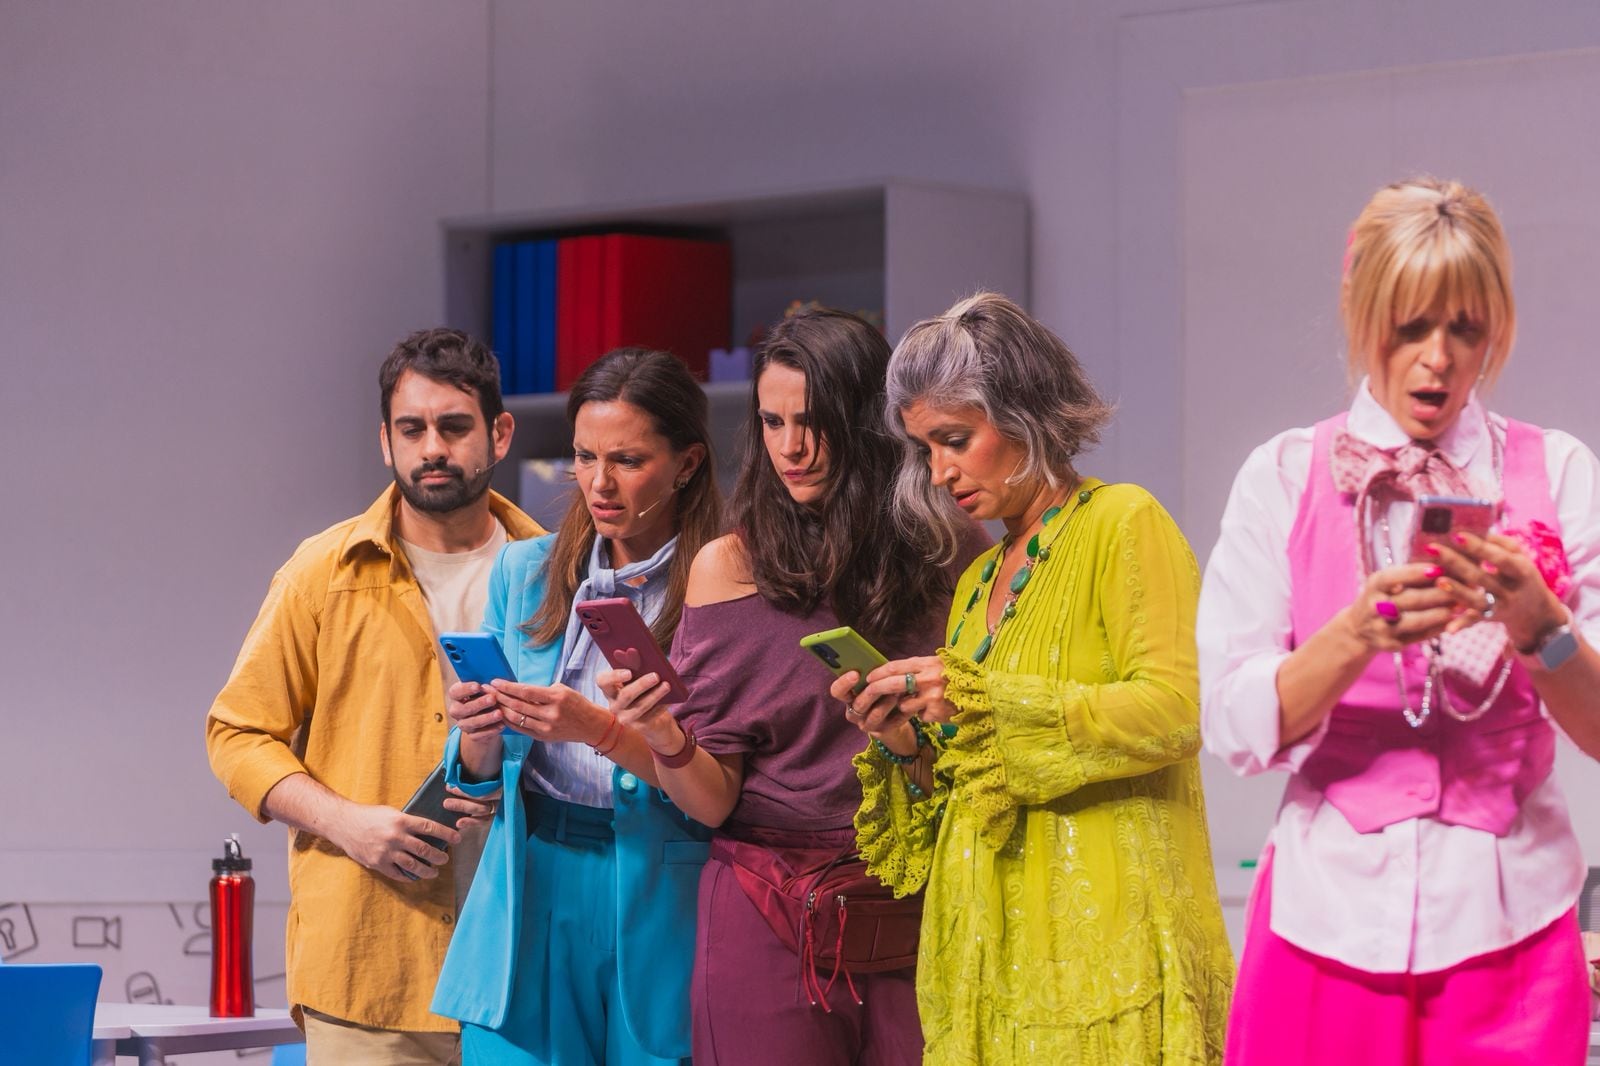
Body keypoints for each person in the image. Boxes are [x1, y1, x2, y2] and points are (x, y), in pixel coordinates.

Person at [1199, 177, 1600, 1065]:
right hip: (1321, 926)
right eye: (1410, 326)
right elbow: (1230, 724)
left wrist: (1542, 628)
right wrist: (1357, 634)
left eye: (1464, 329)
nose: (1438, 359)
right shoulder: (1282, 476)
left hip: (1512, 932)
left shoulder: (1562, 473)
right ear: (1360, 312)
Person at [843, 291, 1235, 1064]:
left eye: (955, 438)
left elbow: (1181, 708)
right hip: (985, 963)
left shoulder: (1124, 522)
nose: (941, 470)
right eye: (926, 448)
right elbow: (975, 783)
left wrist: (988, 701)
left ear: (1024, 414)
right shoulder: (975, 581)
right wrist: (909, 746)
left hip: (1106, 957)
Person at [604, 308, 979, 1065]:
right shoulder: (728, 568)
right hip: (766, 910)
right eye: (771, 423)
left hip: (922, 898)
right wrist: (664, 734)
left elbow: (981, 753)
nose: (790, 447)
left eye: (812, 422)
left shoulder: (952, 551)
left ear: (870, 424)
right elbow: (713, 799)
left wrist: (913, 741)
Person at [206, 327, 545, 1064]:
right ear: (384, 441)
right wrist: (348, 823)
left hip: (524, 961)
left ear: (500, 434)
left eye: (454, 427)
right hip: (372, 966)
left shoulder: (554, 574)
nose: (432, 448)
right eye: (411, 429)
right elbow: (235, 735)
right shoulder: (322, 572)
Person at [429, 347, 721, 1066]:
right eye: (584, 457)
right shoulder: (525, 571)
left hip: (661, 884)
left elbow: (729, 785)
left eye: (626, 460)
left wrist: (597, 729)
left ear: (686, 463)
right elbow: (475, 784)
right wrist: (479, 732)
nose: (599, 482)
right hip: (530, 880)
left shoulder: (723, 582)